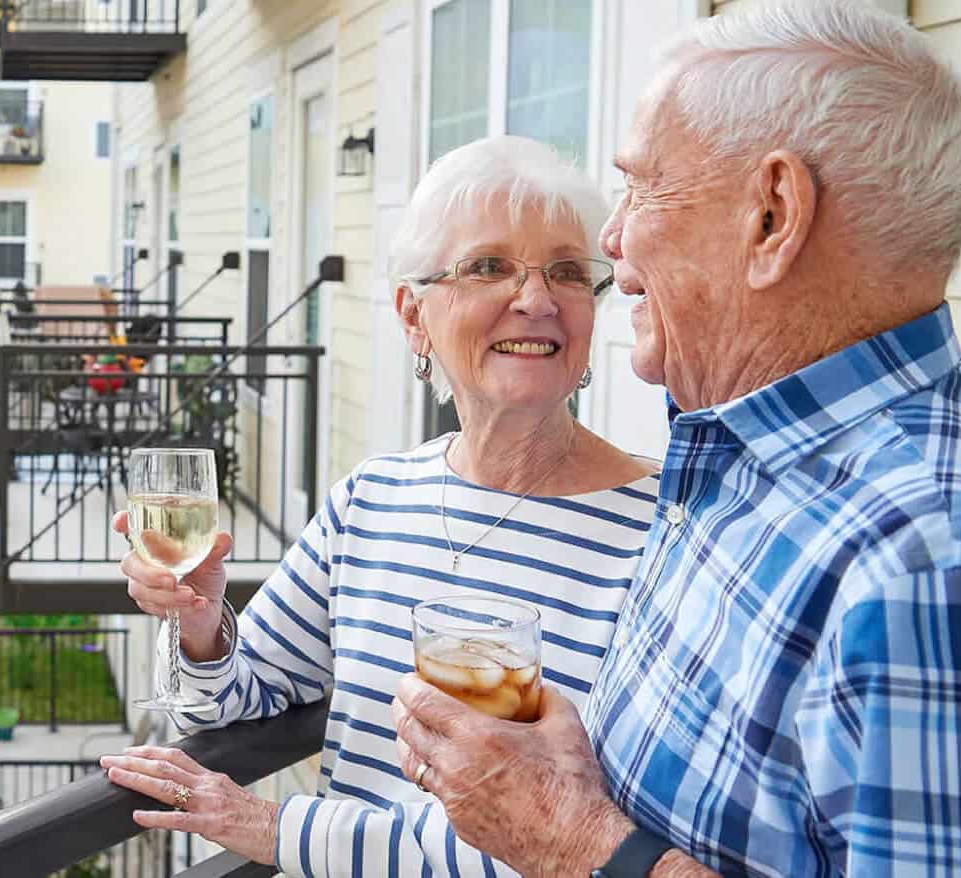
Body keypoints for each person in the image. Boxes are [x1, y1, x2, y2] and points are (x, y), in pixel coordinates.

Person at [391, 2, 961, 876]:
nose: (614, 246)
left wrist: (573, 841)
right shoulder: (748, 458)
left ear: (773, 216)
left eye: (642, 187)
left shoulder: (941, 563)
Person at [98, 135, 659, 875]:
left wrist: (277, 829)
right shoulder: (373, 499)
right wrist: (199, 623)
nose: (535, 298)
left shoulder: (660, 530)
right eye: (489, 266)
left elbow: (562, 836)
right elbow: (227, 701)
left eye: (566, 271)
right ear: (413, 317)